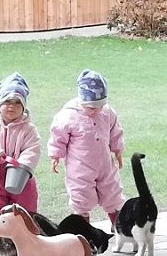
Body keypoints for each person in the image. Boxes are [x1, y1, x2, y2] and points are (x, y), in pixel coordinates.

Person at [48, 69, 124, 230]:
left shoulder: (107, 113)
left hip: (104, 164)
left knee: (112, 191)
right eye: (90, 107)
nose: (95, 110)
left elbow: (115, 131)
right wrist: (55, 155)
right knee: (81, 195)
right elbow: (58, 137)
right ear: (81, 101)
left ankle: (118, 222)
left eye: (100, 106)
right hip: (80, 166)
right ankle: (84, 227)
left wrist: (118, 150)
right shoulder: (68, 116)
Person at [0, 73, 41, 250]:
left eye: (17, 102)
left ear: (24, 106)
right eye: (7, 102)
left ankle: (23, 238)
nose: (12, 106)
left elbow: (32, 148)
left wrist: (22, 163)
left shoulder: (28, 129)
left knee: (24, 203)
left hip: (19, 173)